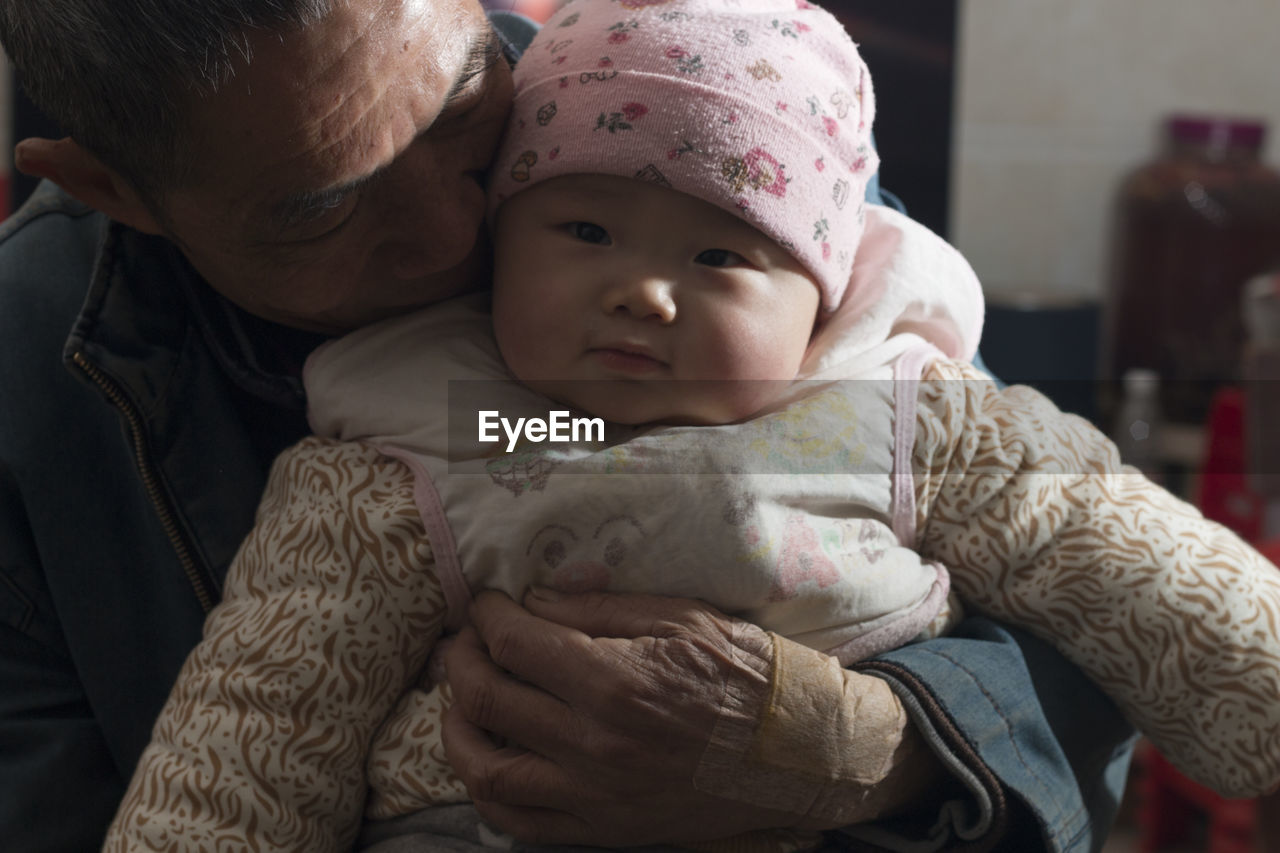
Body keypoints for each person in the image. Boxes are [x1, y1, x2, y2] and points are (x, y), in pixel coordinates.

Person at [103, 1, 1280, 851]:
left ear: (822, 294)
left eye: (720, 256)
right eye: (583, 235)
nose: (644, 292)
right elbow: (264, 713)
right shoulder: (448, 435)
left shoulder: (879, 416)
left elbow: (1115, 557)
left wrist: (876, 747)